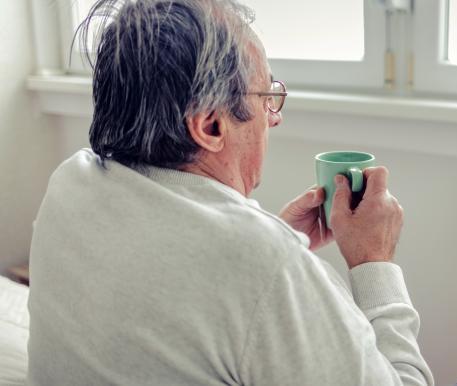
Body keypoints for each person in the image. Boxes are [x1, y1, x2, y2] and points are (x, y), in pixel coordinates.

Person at [26, 0, 434, 385]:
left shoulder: (70, 182)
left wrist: (277, 246)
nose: (273, 120)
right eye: (266, 98)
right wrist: (373, 262)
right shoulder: (262, 259)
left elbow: (165, 285)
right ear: (210, 126)